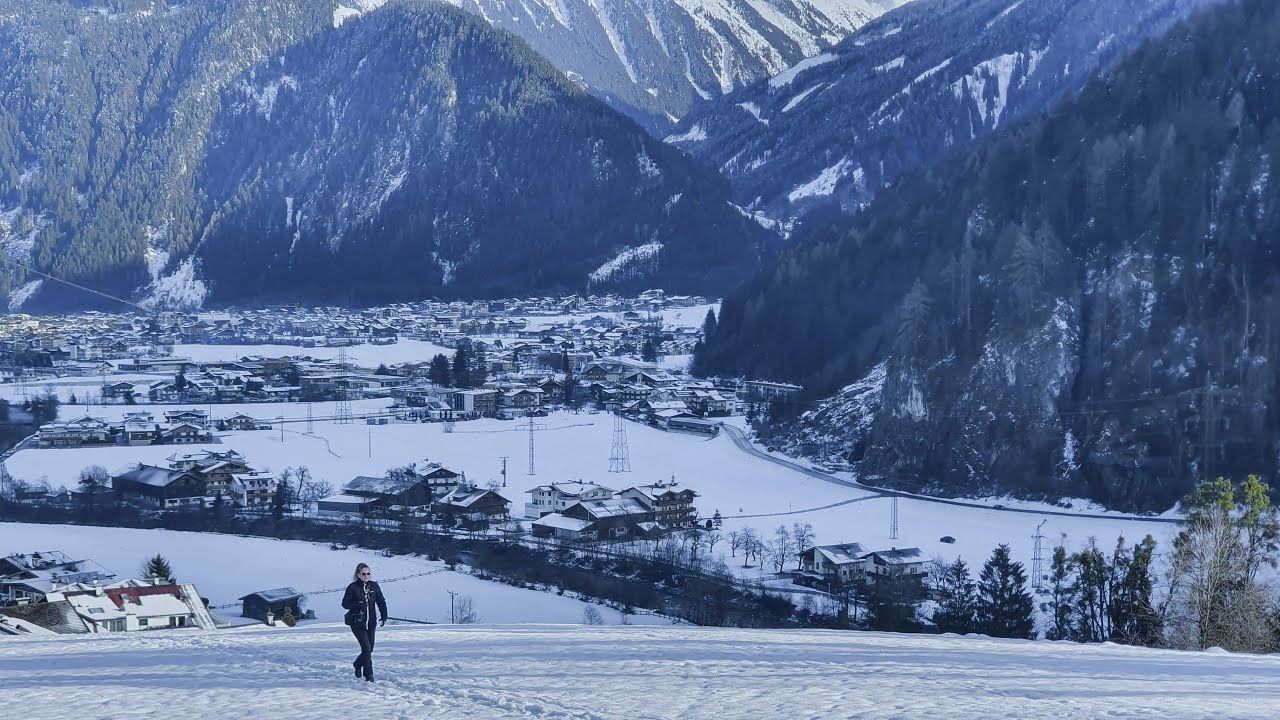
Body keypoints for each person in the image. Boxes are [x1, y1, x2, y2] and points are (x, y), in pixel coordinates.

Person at [341, 562, 388, 682]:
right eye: (363, 574)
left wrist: (384, 616)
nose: (366, 576)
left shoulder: (374, 586)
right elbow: (345, 604)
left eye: (368, 573)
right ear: (358, 574)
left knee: (370, 649)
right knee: (366, 649)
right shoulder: (353, 587)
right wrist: (357, 604)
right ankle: (369, 675)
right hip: (357, 623)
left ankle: (357, 664)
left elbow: (381, 601)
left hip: (371, 622)